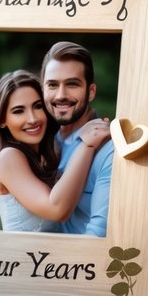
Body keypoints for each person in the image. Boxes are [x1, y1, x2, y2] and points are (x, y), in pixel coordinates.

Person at [0, 69, 111, 232]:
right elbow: (57, 210)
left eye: (38, 106)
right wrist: (87, 145)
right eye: (18, 111)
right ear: (1, 120)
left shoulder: (45, 159)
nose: (32, 119)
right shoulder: (8, 157)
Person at [41, 41, 113, 236]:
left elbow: (99, 234)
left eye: (72, 84)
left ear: (91, 92)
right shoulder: (43, 143)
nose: (61, 95)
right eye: (52, 85)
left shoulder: (108, 149)